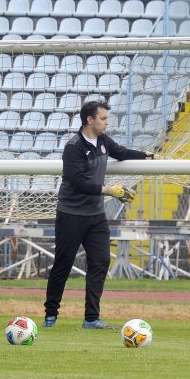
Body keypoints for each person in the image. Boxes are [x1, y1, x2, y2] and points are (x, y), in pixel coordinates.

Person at [44, 100, 154, 329]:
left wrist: (146, 156)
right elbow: (77, 182)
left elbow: (121, 153)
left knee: (101, 261)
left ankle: (91, 318)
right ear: (90, 120)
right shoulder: (73, 147)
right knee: (63, 264)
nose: (106, 122)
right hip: (71, 214)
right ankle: (51, 314)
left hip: (95, 215)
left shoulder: (103, 141)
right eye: (103, 118)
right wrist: (109, 190)